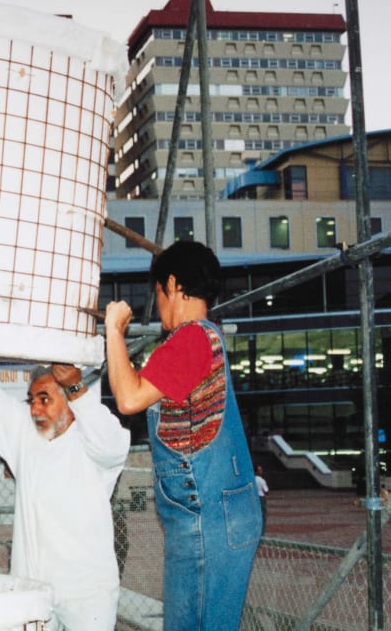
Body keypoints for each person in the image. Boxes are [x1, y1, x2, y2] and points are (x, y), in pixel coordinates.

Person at [105, 240, 262, 631]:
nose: (157, 305)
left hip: (205, 517)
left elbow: (128, 397)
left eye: (157, 293)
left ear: (172, 285)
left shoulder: (193, 338)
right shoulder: (197, 340)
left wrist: (112, 331)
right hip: (206, 516)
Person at [0, 358, 130, 630]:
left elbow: (114, 445)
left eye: (45, 399)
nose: (35, 410)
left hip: (88, 591)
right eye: (31, 400)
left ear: (70, 403)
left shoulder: (93, 443)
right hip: (34, 587)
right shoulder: (23, 434)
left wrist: (74, 385)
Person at [255, 465, 270, 535]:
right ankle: (262, 532)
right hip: (261, 497)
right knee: (263, 515)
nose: (261, 471)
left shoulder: (252, 479)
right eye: (260, 470)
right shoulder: (262, 480)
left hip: (254, 497)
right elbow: (266, 491)